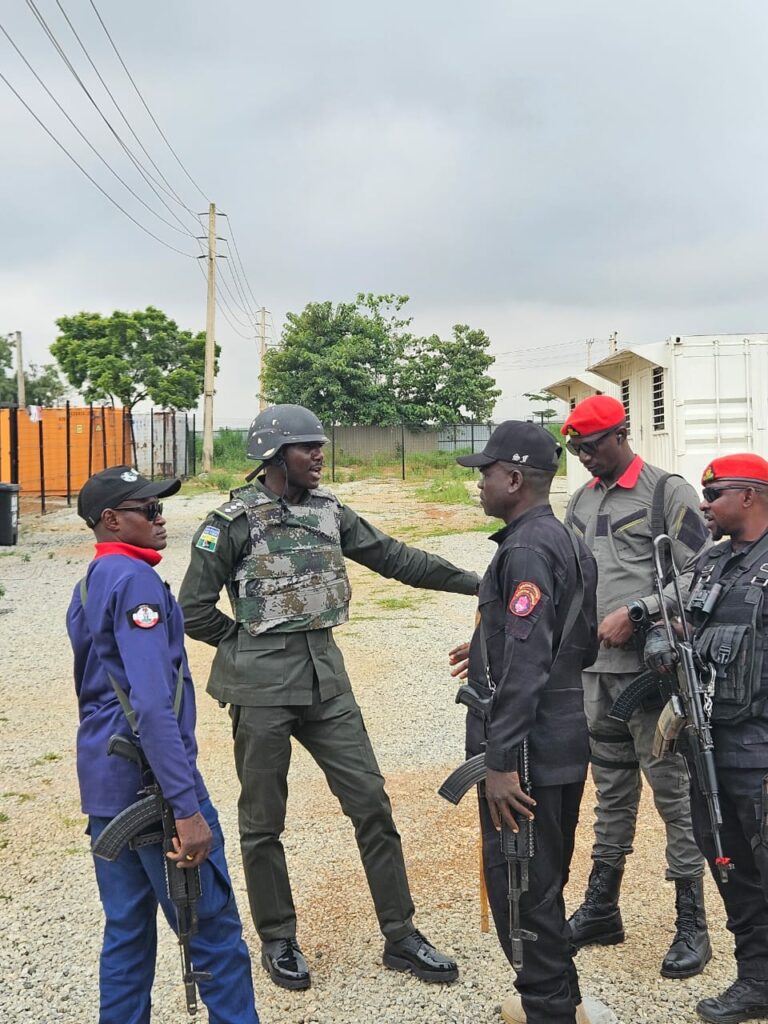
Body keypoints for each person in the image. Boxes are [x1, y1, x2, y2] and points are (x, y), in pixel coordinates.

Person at [178, 404, 480, 991]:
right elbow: (193, 608)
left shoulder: (329, 512)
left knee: (372, 805)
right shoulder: (231, 521)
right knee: (263, 822)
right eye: (306, 448)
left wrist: (476, 580)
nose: (319, 455)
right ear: (273, 456)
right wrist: (243, 647)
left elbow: (396, 558)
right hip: (261, 693)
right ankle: (278, 938)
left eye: (320, 445)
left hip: (326, 682)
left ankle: (401, 935)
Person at [66, 466, 260, 1024]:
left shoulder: (91, 581)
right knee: (214, 932)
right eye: (146, 509)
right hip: (151, 788)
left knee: (126, 933)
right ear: (110, 519)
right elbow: (152, 706)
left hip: (108, 788)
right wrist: (186, 806)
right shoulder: (136, 583)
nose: (160, 518)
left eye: (159, 507)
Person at [450, 420, 601, 1024]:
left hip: (529, 758)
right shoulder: (561, 539)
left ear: (514, 478)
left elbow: (527, 663)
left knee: (524, 897)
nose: (480, 485)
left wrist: (501, 763)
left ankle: (551, 1011)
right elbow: (578, 645)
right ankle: (560, 1003)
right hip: (561, 738)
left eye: (486, 474)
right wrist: (486, 644)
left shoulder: (527, 549)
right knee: (542, 888)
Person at [561, 394, 712, 978]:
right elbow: (569, 579)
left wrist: (642, 612)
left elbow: (703, 572)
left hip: (654, 675)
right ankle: (603, 907)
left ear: (621, 435)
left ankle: (691, 923)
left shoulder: (663, 492)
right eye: (576, 449)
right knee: (612, 791)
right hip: (596, 675)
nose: (584, 458)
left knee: (675, 794)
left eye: (591, 446)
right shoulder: (580, 499)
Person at [645, 454, 768, 1024]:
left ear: (749, 497)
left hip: (760, 753)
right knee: (733, 872)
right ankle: (756, 982)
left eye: (714, 494)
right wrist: (663, 641)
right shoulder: (714, 561)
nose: (704, 505)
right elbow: (679, 619)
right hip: (710, 751)